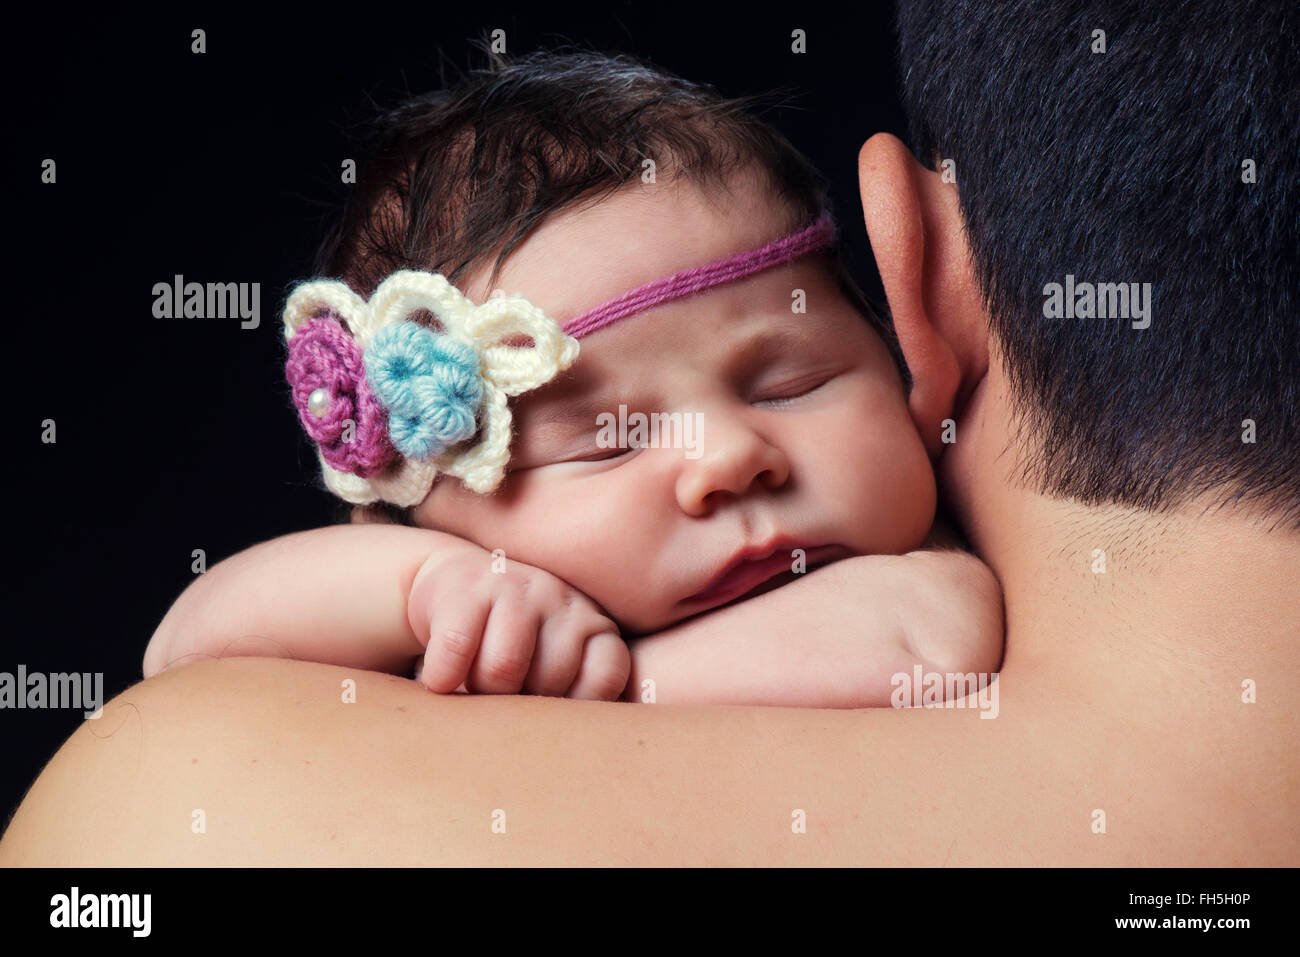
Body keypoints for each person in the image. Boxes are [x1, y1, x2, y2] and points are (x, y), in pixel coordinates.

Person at [2, 0, 1295, 865]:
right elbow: (191, 645)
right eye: (601, 441)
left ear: (907, 333)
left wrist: (601, 684)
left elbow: (927, 642)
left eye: (788, 379)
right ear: (429, 499)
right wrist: (420, 587)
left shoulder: (926, 583)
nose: (729, 457)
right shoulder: (445, 586)